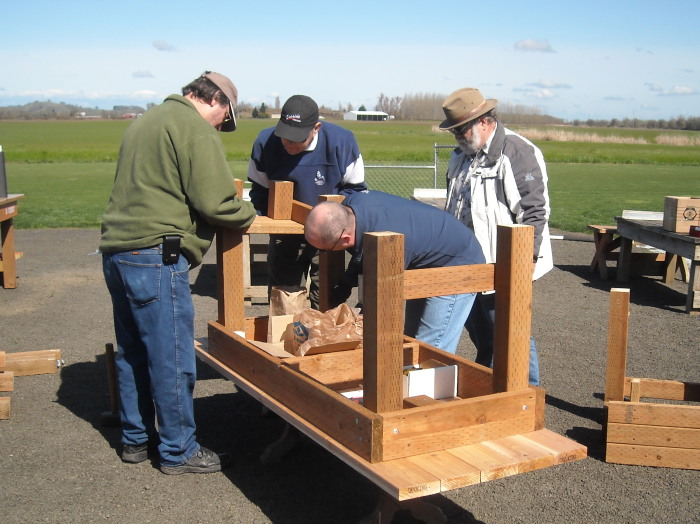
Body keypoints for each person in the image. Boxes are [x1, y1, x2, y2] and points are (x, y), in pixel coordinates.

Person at [100, 71, 256, 474]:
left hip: (117, 252)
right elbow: (216, 202)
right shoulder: (193, 127)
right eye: (224, 118)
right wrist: (249, 212)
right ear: (216, 101)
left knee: (133, 352)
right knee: (171, 355)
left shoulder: (146, 121)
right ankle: (178, 450)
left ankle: (135, 440)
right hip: (155, 255)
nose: (220, 126)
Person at [440, 87, 554, 386]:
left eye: (461, 129)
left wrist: (524, 262)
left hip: (504, 262)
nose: (457, 136)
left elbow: (534, 212)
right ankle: (494, 386)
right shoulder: (459, 156)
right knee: (484, 334)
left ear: (484, 120)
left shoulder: (517, 152)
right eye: (454, 131)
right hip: (467, 263)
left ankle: (526, 392)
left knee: (511, 331)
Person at [304, 190, 485, 354]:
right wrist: (344, 286)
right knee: (411, 339)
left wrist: (354, 321)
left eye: (326, 250)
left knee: (430, 348)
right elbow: (363, 255)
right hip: (425, 257)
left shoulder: (390, 244)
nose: (324, 253)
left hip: (459, 263)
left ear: (345, 238)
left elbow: (382, 299)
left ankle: (430, 381)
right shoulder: (352, 205)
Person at [247, 95, 367, 309]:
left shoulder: (342, 143)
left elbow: (355, 191)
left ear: (316, 128)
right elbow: (259, 189)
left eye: (296, 138)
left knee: (327, 296)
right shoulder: (265, 142)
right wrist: (274, 221)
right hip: (286, 231)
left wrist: (332, 223)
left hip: (330, 233)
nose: (288, 143)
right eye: (284, 136)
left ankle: (324, 329)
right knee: (283, 295)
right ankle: (285, 330)